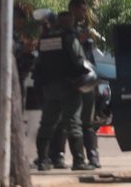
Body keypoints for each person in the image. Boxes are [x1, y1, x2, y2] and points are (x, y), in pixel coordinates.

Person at [33, 11, 93, 171]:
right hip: (69, 87)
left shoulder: (45, 39)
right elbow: (79, 61)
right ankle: (79, 161)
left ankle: (43, 160)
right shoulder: (70, 38)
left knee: (46, 124)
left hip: (49, 88)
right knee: (73, 123)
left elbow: (41, 62)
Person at [68, 0, 101, 168]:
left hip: (88, 80)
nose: (84, 12)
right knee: (73, 122)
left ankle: (93, 157)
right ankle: (77, 159)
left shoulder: (85, 30)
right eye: (81, 9)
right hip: (73, 82)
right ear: (72, 9)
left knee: (89, 122)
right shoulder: (67, 32)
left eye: (84, 9)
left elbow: (91, 56)